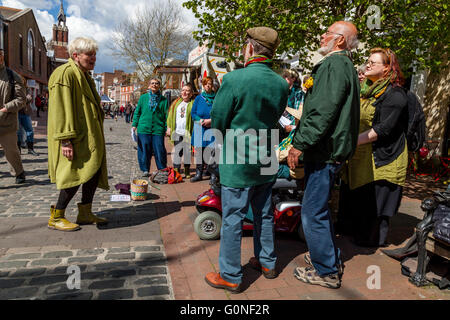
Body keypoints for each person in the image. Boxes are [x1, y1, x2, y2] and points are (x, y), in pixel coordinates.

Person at [205, 27, 289, 293]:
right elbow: (276, 118)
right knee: (264, 213)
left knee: (233, 218)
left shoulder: (234, 79)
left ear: (250, 48)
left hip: (239, 160)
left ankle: (230, 275)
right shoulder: (280, 83)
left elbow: (218, 121)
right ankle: (267, 263)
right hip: (266, 156)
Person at [287, 21, 360, 289]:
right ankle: (328, 257)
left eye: (327, 33)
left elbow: (322, 111)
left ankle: (327, 271)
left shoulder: (334, 65)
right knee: (319, 209)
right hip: (330, 150)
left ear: (339, 40)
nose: (322, 36)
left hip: (325, 151)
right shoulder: (341, 65)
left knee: (312, 212)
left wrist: (300, 143)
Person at [340, 48, 408, 247]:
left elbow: (383, 129)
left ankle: (371, 241)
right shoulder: (366, 90)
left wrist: (350, 142)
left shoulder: (395, 95)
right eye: (367, 61)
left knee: (376, 205)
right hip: (362, 153)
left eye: (373, 62)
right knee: (357, 197)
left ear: (387, 68)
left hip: (384, 157)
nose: (367, 65)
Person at [47, 37, 109, 232]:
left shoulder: (85, 75)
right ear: (75, 55)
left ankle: (85, 212)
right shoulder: (64, 74)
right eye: (89, 54)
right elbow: (60, 109)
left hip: (89, 135)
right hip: (74, 137)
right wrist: (65, 140)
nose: (93, 58)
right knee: (73, 176)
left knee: (93, 171)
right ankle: (57, 216)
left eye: (94, 54)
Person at [132, 78, 168, 177]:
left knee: (159, 149)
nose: (154, 85)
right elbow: (137, 112)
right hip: (144, 128)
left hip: (158, 129)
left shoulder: (164, 100)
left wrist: (167, 127)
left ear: (159, 86)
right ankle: (145, 169)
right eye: (152, 83)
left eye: (157, 83)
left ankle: (162, 168)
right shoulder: (143, 98)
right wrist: (134, 125)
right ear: (149, 86)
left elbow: (166, 115)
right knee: (144, 149)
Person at [0, 49, 27, 184]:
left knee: (11, 152)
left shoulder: (12, 76)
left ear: (2, 57)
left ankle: (19, 172)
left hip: (6, 122)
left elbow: (21, 99)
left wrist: (6, 108)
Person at [190, 76, 216, 182]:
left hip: (211, 127)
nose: (208, 86)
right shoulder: (198, 98)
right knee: (200, 152)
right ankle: (198, 173)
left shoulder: (216, 98)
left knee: (212, 152)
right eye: (206, 84)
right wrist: (200, 120)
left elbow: (219, 113)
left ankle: (214, 175)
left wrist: (210, 120)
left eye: (210, 83)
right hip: (199, 127)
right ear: (203, 85)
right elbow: (193, 113)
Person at [166, 83, 195, 178]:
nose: (184, 92)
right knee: (177, 152)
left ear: (191, 93)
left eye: (187, 90)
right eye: (183, 90)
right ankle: (176, 170)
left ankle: (187, 170)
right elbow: (170, 116)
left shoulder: (193, 103)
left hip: (187, 132)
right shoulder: (176, 103)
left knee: (187, 152)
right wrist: (169, 128)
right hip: (177, 131)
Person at [278, 69, 305, 141]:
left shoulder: (299, 93)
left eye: (286, 76)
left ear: (293, 79)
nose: (283, 78)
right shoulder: (280, 91)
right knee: (273, 150)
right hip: (278, 128)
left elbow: (299, 114)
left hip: (291, 132)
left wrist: (292, 127)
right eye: (283, 76)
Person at [17, 87, 38, 156]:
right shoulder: (12, 87)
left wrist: (21, 100)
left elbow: (30, 98)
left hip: (26, 113)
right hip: (16, 113)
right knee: (18, 132)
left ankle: (30, 149)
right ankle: (18, 150)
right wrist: (24, 99)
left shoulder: (26, 88)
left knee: (30, 131)